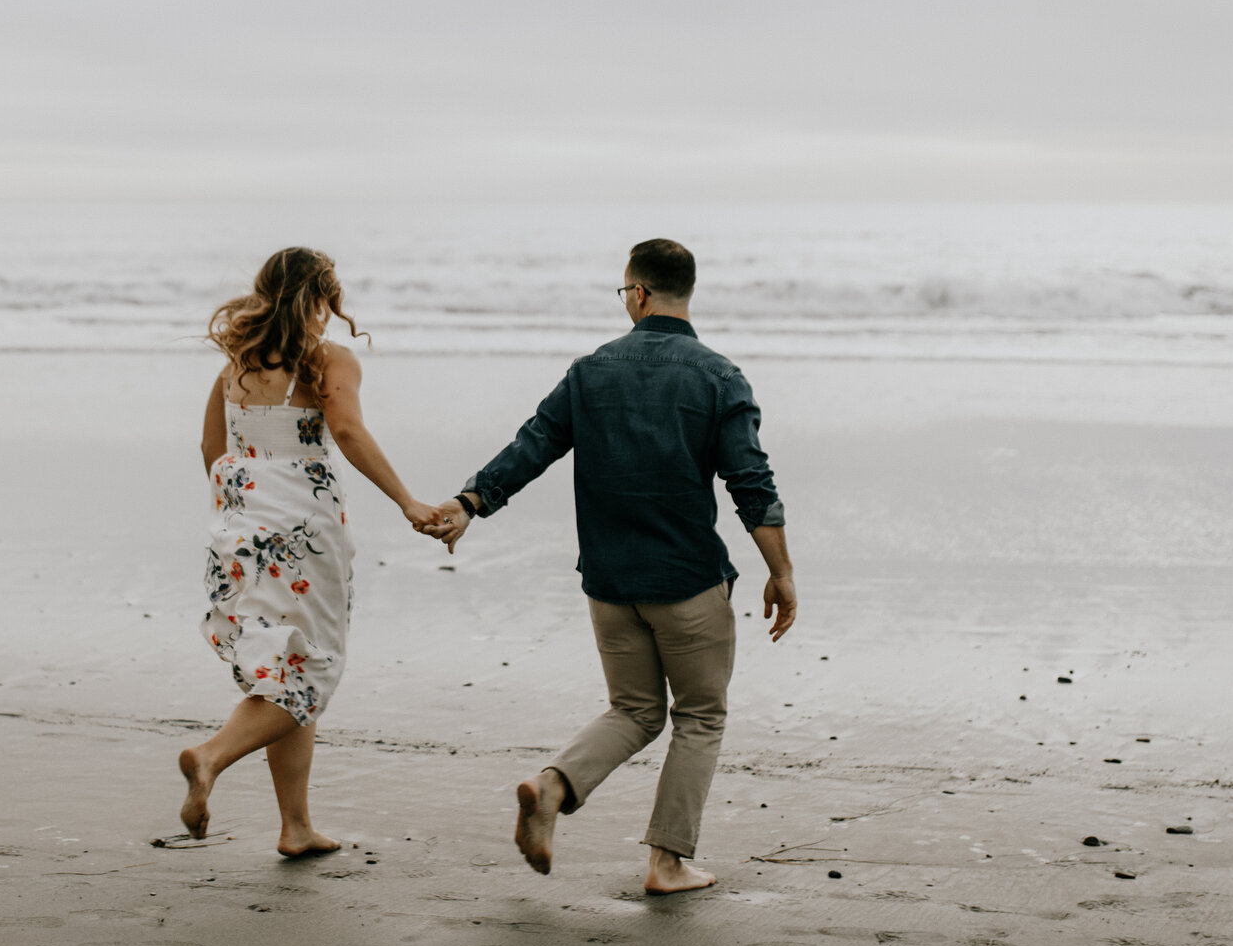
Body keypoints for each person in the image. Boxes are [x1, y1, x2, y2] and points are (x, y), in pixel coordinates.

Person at [426, 238, 794, 894]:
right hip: (685, 582)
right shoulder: (719, 376)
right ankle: (667, 860)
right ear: (682, 291)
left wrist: (470, 501)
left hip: (608, 581)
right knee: (700, 715)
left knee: (633, 708)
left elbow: (533, 444)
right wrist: (782, 572)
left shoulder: (591, 371)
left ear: (640, 292)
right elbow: (752, 484)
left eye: (624, 290)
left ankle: (551, 787)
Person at [178, 247, 444, 855]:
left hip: (241, 529)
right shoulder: (329, 360)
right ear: (323, 297)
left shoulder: (236, 366)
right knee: (314, 668)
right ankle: (211, 755)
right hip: (306, 531)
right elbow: (347, 431)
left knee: (284, 667)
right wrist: (407, 500)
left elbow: (210, 449)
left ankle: (294, 826)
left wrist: (245, 513)